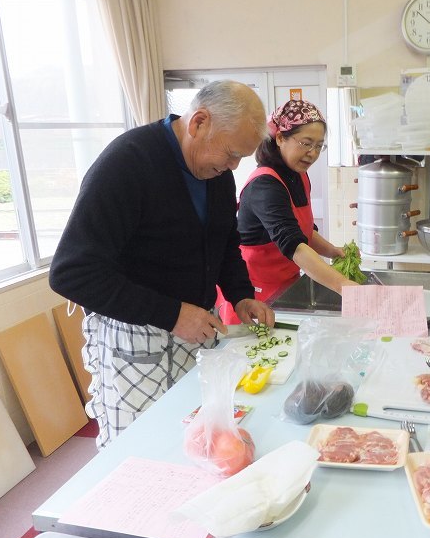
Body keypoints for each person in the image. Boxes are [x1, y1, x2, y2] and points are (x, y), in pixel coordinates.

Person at [49, 80, 275, 449]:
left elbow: (224, 241)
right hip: (133, 340)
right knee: (136, 450)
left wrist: (241, 295)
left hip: (194, 333)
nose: (234, 166)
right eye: (231, 154)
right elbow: (71, 272)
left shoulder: (217, 175)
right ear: (199, 122)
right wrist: (171, 314)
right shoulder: (128, 162)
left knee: (194, 443)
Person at [220, 99, 358, 322]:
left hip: (286, 286)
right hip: (255, 294)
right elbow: (294, 245)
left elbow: (303, 232)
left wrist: (333, 251)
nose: (312, 153)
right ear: (280, 138)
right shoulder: (265, 185)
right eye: (306, 143)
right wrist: (343, 286)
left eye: (319, 146)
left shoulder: (298, 175)